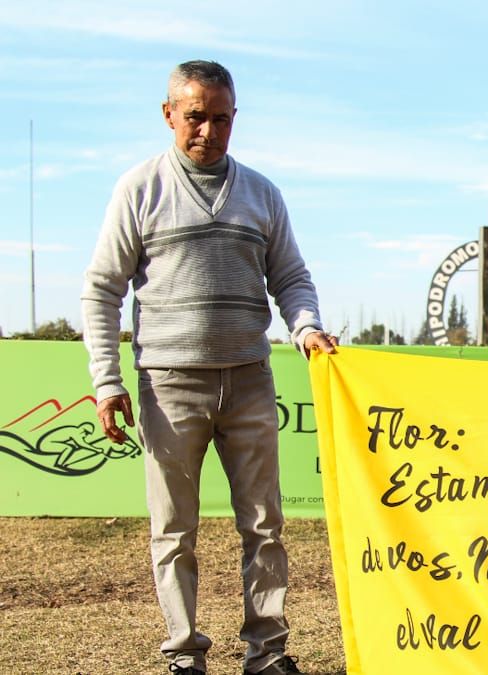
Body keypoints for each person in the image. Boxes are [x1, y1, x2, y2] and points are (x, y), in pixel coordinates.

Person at [81, 60, 338, 675]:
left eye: (221, 118)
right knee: (174, 530)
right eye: (195, 116)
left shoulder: (261, 192)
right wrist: (107, 381)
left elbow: (292, 278)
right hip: (169, 383)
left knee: (265, 525)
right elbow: (101, 290)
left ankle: (268, 654)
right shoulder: (139, 188)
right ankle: (183, 654)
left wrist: (304, 326)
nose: (208, 131)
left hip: (250, 376)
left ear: (234, 118)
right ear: (168, 113)